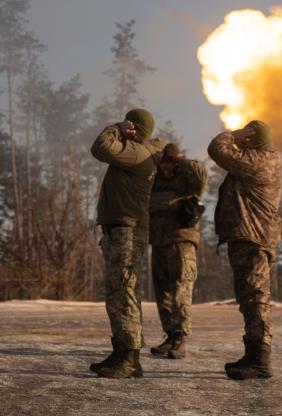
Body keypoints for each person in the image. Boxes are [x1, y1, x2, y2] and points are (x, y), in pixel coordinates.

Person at [89, 108, 165, 379]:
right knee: (121, 291)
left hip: (127, 230)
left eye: (130, 122)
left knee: (123, 291)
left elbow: (100, 147)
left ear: (135, 127)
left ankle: (128, 356)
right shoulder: (141, 152)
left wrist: (116, 128)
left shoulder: (137, 152)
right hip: (123, 229)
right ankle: (123, 351)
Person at [207, 120, 282, 380]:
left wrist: (230, 135)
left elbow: (218, 150)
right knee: (250, 297)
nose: (240, 140)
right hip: (251, 236)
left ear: (251, 139)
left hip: (253, 238)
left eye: (245, 136)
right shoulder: (263, 158)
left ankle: (261, 359)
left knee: (255, 297)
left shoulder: (258, 160)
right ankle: (253, 354)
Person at [148, 143, 208, 359]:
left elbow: (201, 177)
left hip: (182, 242)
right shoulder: (156, 179)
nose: (167, 170)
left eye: (170, 164)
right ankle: (171, 336)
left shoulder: (187, 178)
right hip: (159, 241)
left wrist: (181, 160)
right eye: (164, 165)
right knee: (162, 291)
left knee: (181, 290)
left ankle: (181, 337)